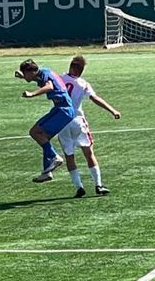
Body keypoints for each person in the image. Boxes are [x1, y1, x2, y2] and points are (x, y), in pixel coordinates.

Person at [52, 55, 121, 196]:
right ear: (80, 70)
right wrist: (112, 110)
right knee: (89, 153)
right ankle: (98, 185)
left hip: (61, 122)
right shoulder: (83, 83)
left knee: (69, 156)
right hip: (77, 120)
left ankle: (79, 187)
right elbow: (95, 98)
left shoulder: (58, 79)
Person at [15, 59, 76, 183]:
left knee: (35, 132)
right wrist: (24, 77)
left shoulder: (44, 74)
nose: (24, 75)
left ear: (30, 71)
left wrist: (32, 94)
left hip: (63, 110)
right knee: (43, 138)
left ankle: (54, 157)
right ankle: (46, 172)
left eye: (24, 73)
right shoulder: (42, 73)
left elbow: (49, 86)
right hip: (62, 110)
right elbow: (40, 80)